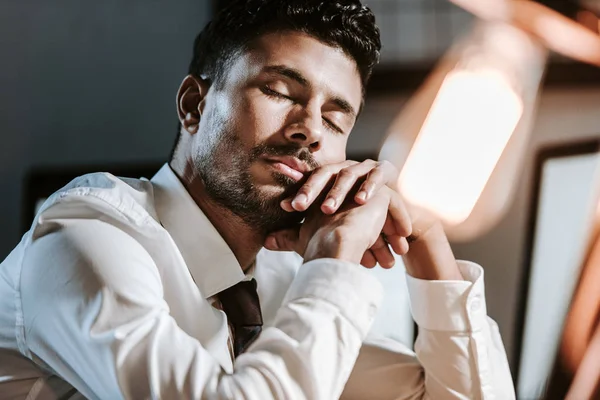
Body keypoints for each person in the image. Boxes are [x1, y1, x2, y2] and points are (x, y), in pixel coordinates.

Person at [0, 0, 514, 398]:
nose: (310, 130)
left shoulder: (273, 281)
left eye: (335, 119)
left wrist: (426, 245)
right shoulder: (85, 238)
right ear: (194, 106)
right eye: (281, 92)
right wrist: (334, 259)